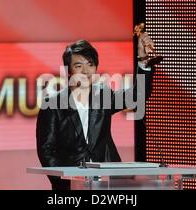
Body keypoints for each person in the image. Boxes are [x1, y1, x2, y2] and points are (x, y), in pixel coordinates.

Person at [36, 40, 154, 190]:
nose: (85, 71)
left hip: (108, 182)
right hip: (72, 184)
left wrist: (143, 61)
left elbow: (137, 96)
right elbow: (47, 151)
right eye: (79, 66)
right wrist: (65, 182)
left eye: (90, 64)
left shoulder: (103, 97)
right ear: (69, 70)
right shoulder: (52, 105)